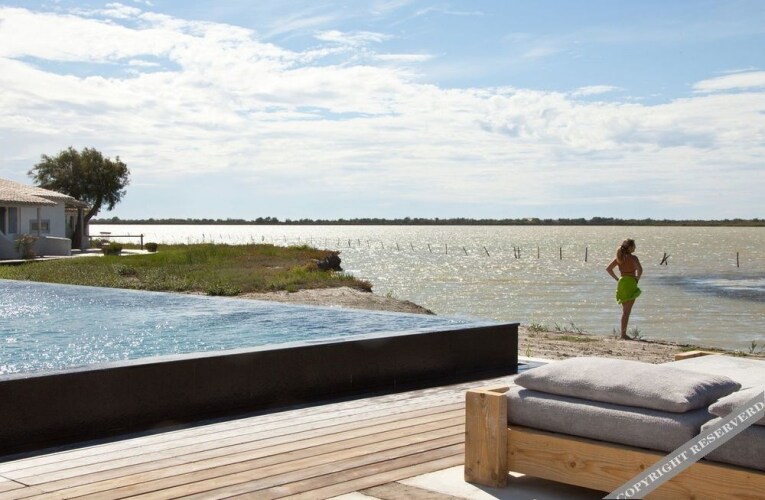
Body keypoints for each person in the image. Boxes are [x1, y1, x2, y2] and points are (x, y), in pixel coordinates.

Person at [606, 238, 643, 339]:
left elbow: (608, 269)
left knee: (624, 311)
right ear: (630, 247)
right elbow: (640, 270)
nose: (635, 247)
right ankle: (623, 334)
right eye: (634, 246)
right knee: (627, 312)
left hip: (622, 282)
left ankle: (623, 333)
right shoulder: (633, 258)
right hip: (630, 282)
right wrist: (637, 279)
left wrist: (617, 279)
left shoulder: (619, 258)